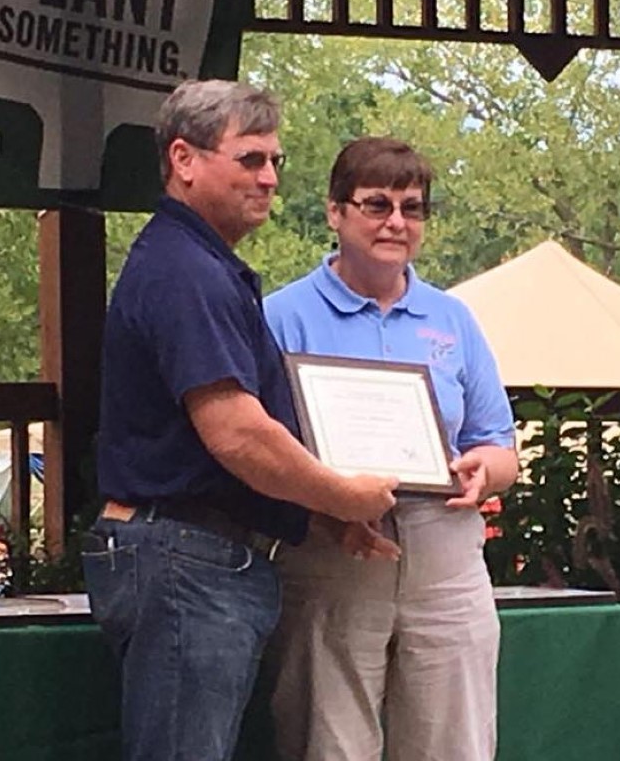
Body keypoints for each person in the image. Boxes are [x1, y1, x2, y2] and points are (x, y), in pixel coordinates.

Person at [82, 82, 398, 761]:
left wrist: (322, 516)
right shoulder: (184, 271)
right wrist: (345, 496)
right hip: (184, 559)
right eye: (250, 158)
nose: (269, 177)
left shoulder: (197, 264)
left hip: (193, 555)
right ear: (183, 159)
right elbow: (235, 433)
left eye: (276, 161)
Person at [261, 136, 519, 761]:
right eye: (376, 204)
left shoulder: (452, 319)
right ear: (335, 213)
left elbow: (501, 445)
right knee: (328, 741)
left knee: (453, 743)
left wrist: (485, 471)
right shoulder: (279, 316)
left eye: (413, 207)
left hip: (444, 552)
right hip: (330, 548)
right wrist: (327, 507)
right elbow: (256, 449)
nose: (396, 222)